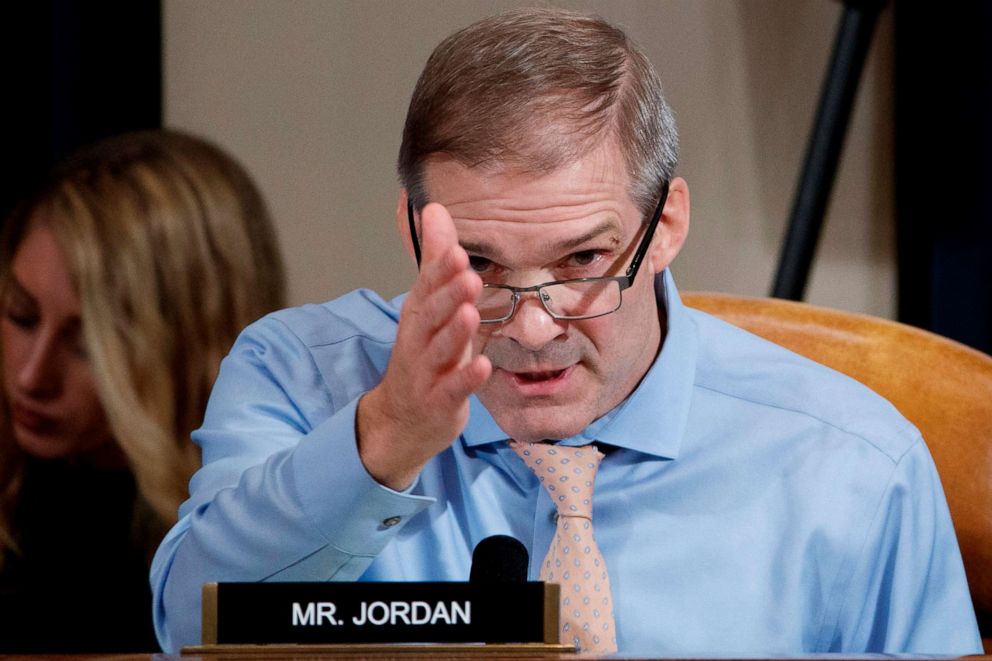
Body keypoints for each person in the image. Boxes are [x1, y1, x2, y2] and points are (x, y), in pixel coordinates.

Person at [151, 8, 981, 655]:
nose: (536, 327)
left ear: (666, 225)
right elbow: (188, 630)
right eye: (479, 263)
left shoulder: (858, 464)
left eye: (583, 258)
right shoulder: (299, 376)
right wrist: (383, 441)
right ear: (413, 230)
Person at [0, 129, 286, 653]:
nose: (31, 376)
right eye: (20, 314)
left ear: (186, 340)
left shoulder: (249, 543)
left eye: (87, 344)